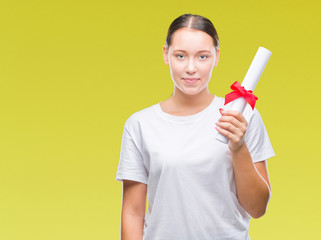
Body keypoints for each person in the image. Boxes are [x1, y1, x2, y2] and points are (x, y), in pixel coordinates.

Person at [116, 13, 275, 240]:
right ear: (166, 54)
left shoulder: (242, 117)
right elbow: (132, 213)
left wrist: (238, 146)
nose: (191, 68)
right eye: (180, 56)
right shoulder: (140, 125)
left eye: (202, 57)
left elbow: (258, 208)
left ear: (216, 57)